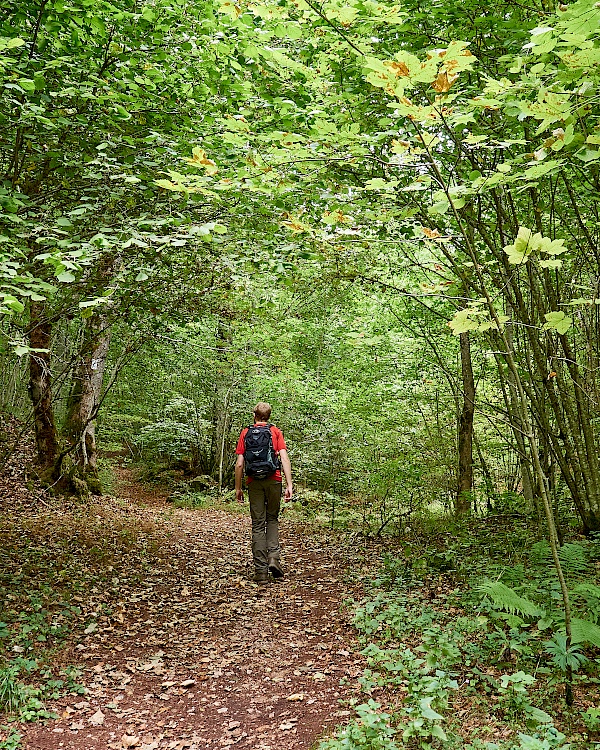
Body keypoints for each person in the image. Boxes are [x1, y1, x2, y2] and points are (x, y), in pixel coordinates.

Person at [235, 402, 293, 586]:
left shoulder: (246, 433)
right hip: (274, 478)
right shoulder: (275, 431)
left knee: (258, 524)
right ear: (268, 416)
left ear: (255, 415)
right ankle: (274, 558)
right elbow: (283, 457)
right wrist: (289, 484)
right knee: (272, 519)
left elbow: (239, 463)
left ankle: (260, 572)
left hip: (254, 482)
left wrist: (238, 488)